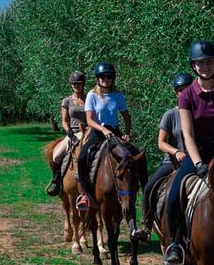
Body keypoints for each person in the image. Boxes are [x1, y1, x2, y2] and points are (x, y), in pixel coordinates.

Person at [162, 41, 214, 265]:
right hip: (198, 154)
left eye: (209, 62)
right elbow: (187, 134)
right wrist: (197, 163)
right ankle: (175, 243)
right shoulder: (187, 95)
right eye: (200, 63)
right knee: (174, 194)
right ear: (193, 66)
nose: (205, 66)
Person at [75, 61, 132, 212]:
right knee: (82, 157)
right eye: (102, 77)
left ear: (113, 78)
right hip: (97, 131)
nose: (105, 79)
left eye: (109, 77)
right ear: (97, 78)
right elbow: (89, 120)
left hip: (115, 131)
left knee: (134, 155)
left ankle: (140, 190)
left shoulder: (118, 95)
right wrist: (103, 129)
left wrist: (127, 132)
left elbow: (126, 116)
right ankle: (85, 195)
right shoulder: (92, 95)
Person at [141, 72, 194, 232]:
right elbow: (161, 143)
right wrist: (176, 152)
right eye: (180, 90)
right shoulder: (170, 115)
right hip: (172, 162)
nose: (183, 93)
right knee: (149, 187)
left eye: (187, 89)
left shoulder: (198, 113)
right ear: (175, 92)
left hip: (195, 160)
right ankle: (147, 226)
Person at [46, 70, 88, 196]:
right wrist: (68, 130)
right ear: (71, 85)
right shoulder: (67, 101)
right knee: (56, 156)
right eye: (74, 84)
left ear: (83, 84)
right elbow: (64, 120)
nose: (77, 86)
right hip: (73, 133)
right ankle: (57, 181)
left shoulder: (89, 99)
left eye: (79, 83)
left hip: (87, 132)